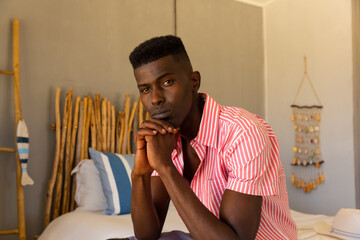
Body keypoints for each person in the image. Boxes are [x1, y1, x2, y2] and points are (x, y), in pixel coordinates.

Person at [128, 35, 297, 240]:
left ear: (194, 81)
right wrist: (140, 175)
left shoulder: (244, 132)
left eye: (167, 82)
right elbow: (147, 236)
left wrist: (165, 167)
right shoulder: (164, 140)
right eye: (145, 89)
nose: (155, 98)